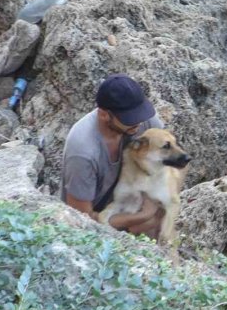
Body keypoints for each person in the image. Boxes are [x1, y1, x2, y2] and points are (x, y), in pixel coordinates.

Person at [61, 74, 165, 237]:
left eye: (138, 113)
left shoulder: (144, 123)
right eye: (128, 118)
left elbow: (166, 166)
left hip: (129, 202)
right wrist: (142, 215)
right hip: (93, 223)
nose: (137, 123)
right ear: (104, 115)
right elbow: (81, 220)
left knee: (162, 217)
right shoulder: (83, 151)